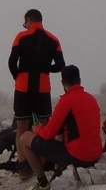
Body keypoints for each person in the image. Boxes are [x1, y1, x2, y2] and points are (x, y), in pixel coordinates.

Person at [18, 65, 103, 190]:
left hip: (79, 157)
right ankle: (58, 171)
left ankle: (43, 184)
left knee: (25, 138)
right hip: (96, 154)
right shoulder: (91, 99)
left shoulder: (66, 100)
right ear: (79, 80)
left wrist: (36, 129)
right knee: (59, 138)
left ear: (63, 83)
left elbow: (48, 134)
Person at [8, 9, 65, 177]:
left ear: (28, 20)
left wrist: (18, 76)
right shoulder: (53, 40)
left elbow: (12, 62)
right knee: (43, 126)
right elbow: (61, 65)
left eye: (25, 23)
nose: (24, 26)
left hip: (23, 87)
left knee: (21, 127)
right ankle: (43, 162)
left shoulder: (21, 36)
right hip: (42, 88)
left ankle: (23, 165)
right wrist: (46, 68)